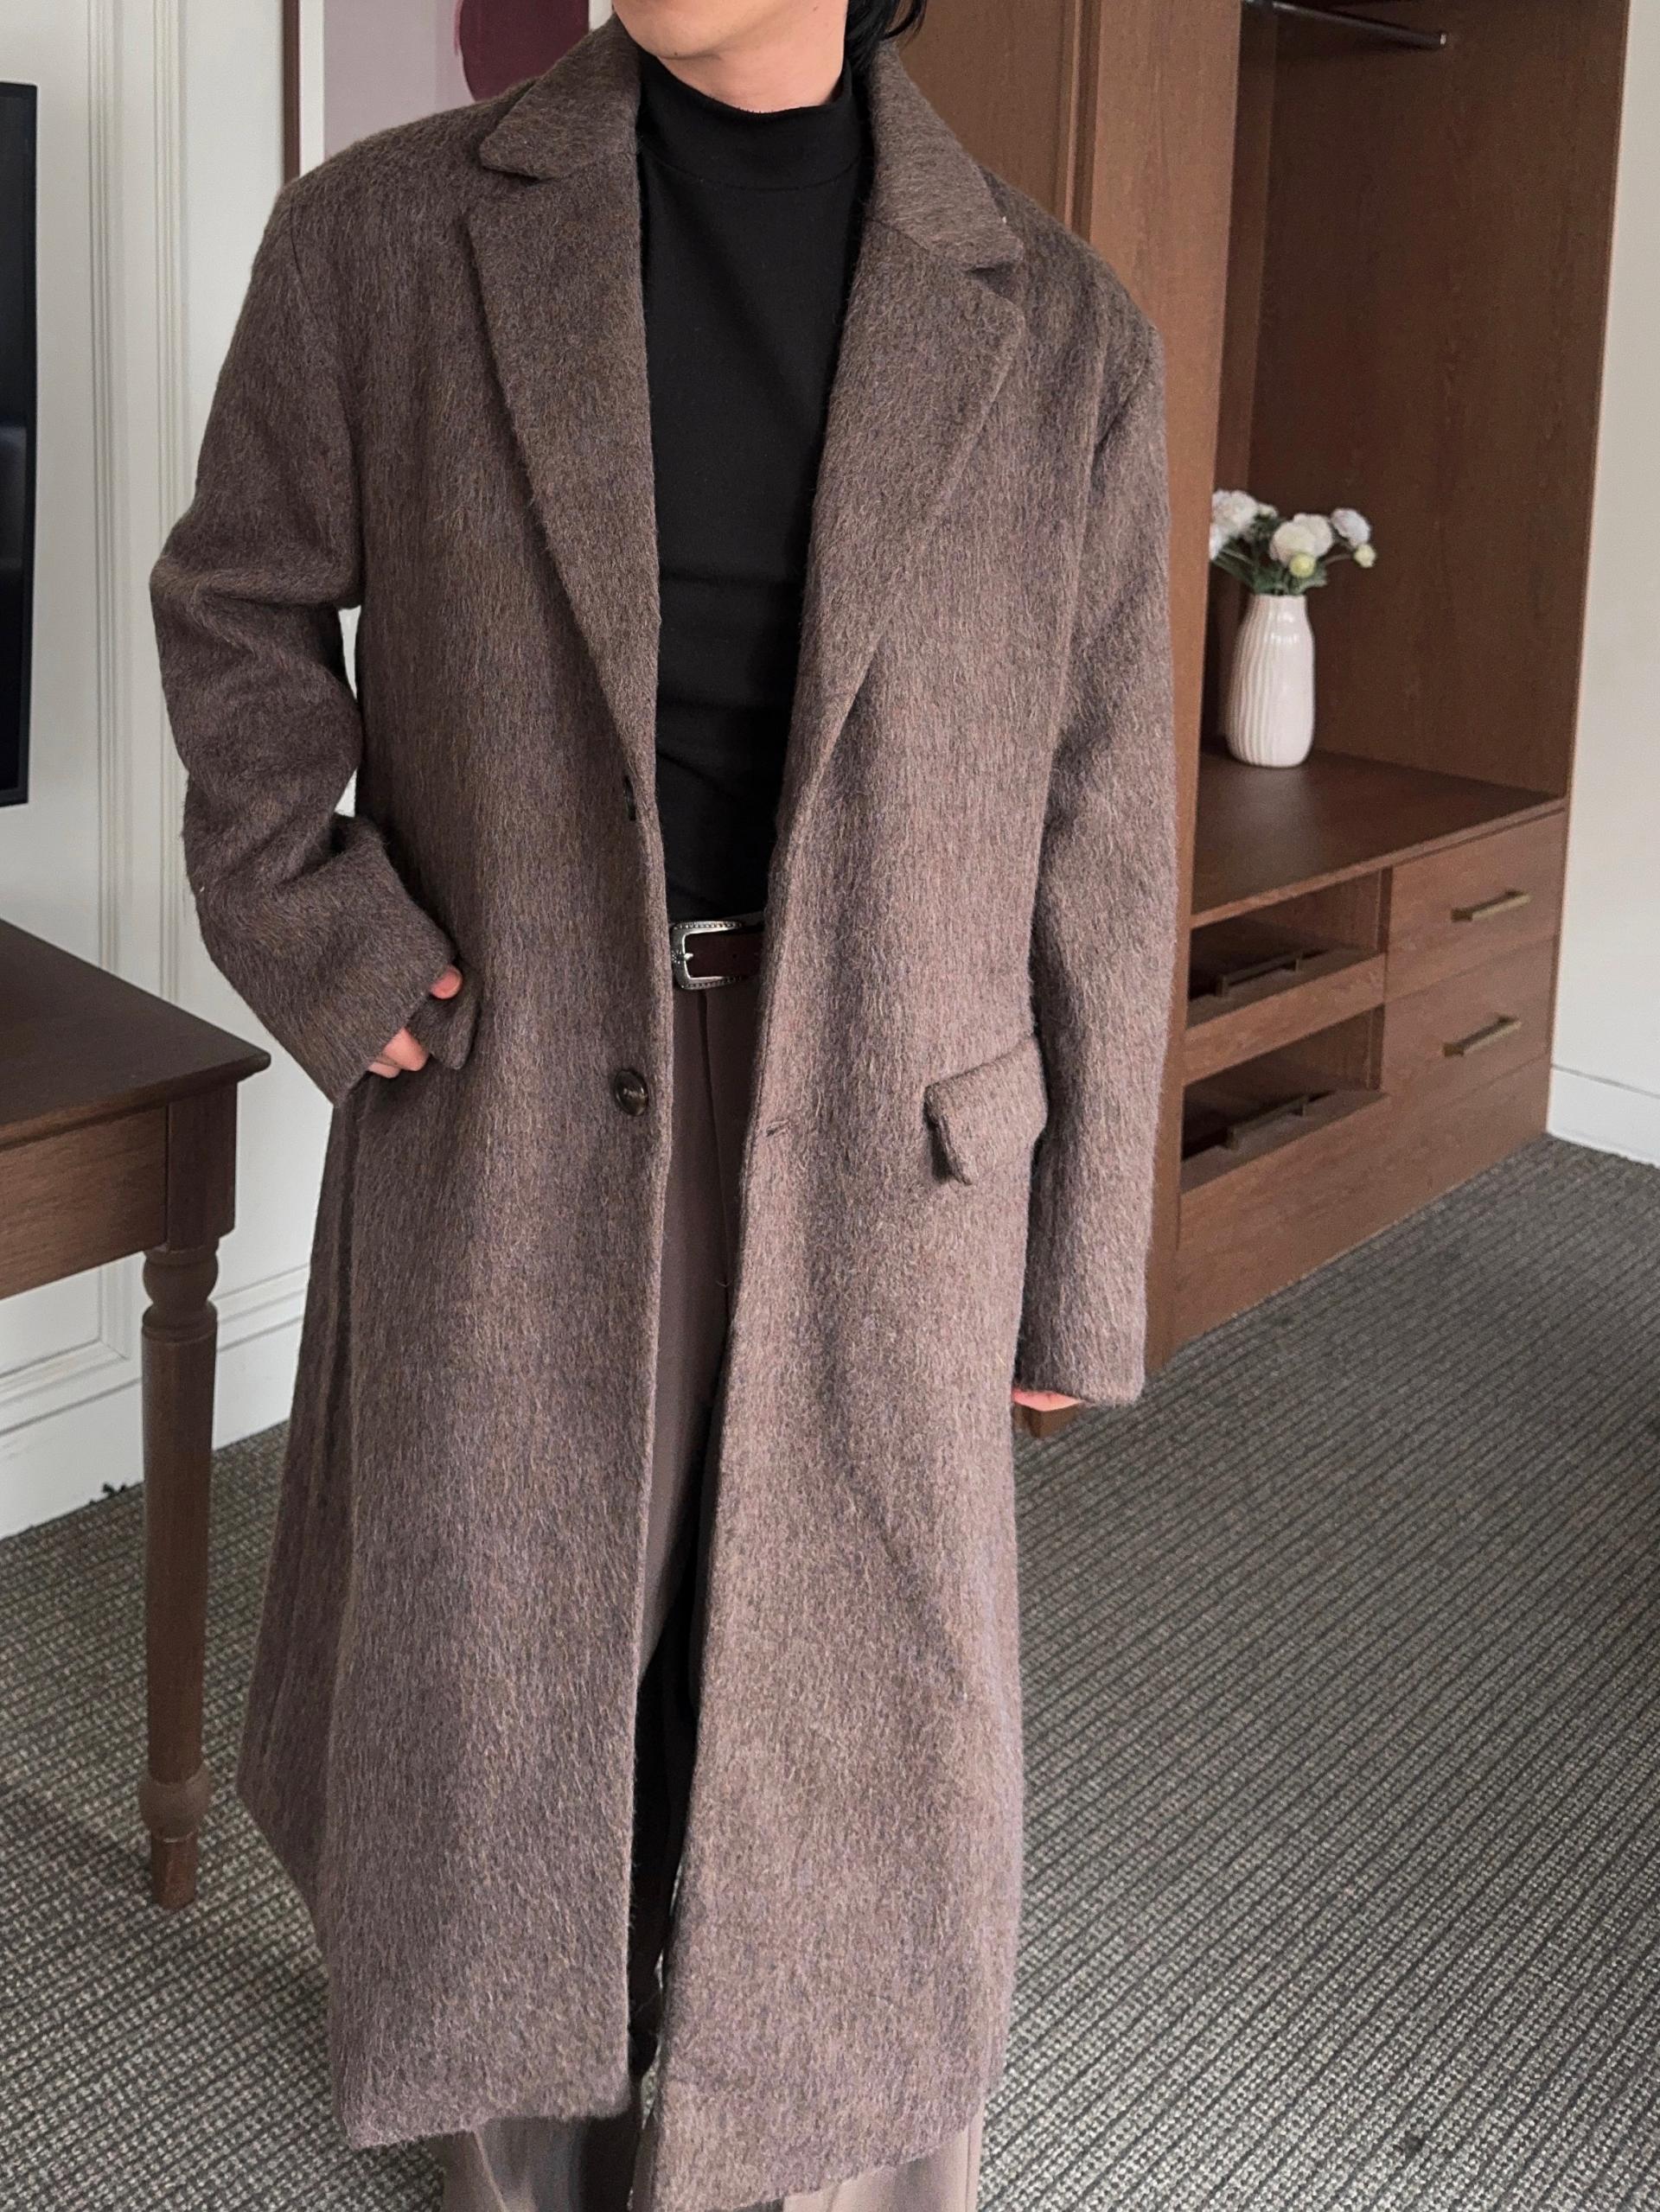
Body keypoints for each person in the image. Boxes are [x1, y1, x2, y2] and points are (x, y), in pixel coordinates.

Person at [148, 3, 1179, 2209]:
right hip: (518, 1079)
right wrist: (329, 931)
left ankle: (817, 2152)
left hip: (892, 1125)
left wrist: (1082, 1253)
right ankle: (517, 2155)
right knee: (516, 1654)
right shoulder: (387, 239)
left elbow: (1103, 824)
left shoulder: (1065, 330)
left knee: (844, 1677)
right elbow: (236, 610)